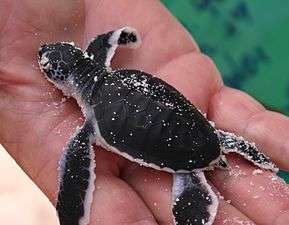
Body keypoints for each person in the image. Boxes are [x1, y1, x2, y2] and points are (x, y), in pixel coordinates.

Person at [0, 1, 288, 224]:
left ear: (62, 79)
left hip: (180, 147)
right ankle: (218, 149)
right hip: (199, 130)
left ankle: (193, 180)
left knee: (77, 168)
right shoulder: (110, 73)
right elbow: (106, 42)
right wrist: (120, 36)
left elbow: (74, 177)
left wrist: (72, 211)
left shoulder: (89, 130)